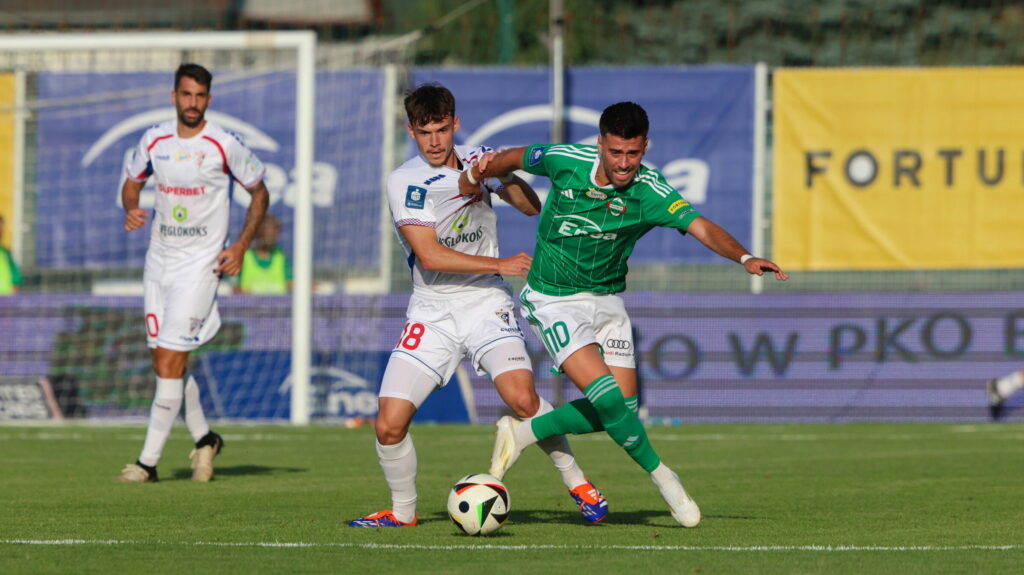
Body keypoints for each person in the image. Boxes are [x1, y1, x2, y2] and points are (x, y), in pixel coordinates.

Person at [460, 101, 789, 527]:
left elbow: (700, 226)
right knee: (609, 399)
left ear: (645, 147)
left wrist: (744, 256)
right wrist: (480, 174)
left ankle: (523, 432)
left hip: (608, 301)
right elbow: (517, 156)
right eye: (615, 152)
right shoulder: (566, 160)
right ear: (600, 144)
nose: (623, 163)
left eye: (632, 154)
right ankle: (666, 479)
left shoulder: (650, 190)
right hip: (553, 298)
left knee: (624, 407)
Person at [348, 83, 608, 528]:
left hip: (487, 304)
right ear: (411, 131)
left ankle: (580, 485)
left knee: (522, 398)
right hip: (433, 311)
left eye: (442, 130)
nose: (435, 141)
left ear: (456, 124)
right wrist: (501, 263)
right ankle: (403, 512)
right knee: (388, 425)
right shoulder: (404, 180)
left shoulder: (479, 157)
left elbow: (530, 207)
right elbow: (429, 256)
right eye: (425, 131)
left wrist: (503, 177)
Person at [116, 63, 270, 483]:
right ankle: (206, 440)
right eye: (186, 95)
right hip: (158, 264)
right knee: (164, 363)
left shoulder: (223, 143)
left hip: (201, 266)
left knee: (170, 360)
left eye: (200, 96)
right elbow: (131, 181)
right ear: (174, 96)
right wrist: (132, 206)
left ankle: (147, 464)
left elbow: (259, 192)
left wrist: (240, 246)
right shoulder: (155, 139)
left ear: (209, 99)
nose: (193, 103)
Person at [236, 213, 291, 294]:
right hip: (249, 306)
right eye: (266, 230)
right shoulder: (244, 257)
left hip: (278, 306)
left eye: (273, 232)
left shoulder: (281, 256)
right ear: (257, 233)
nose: (270, 235)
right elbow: (233, 286)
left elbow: (290, 283)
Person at [0, 214, 22, 295]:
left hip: (6, 300)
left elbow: (16, 278)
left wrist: (13, 293)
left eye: (1, 229)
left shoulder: (6, 253)